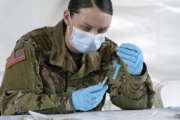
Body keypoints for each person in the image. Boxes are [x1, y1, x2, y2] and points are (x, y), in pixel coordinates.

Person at [0, 0, 154, 115]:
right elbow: (7, 104)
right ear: (67, 17)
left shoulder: (107, 52)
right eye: (86, 28)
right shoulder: (33, 46)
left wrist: (136, 75)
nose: (94, 37)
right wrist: (69, 102)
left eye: (102, 30)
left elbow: (139, 107)